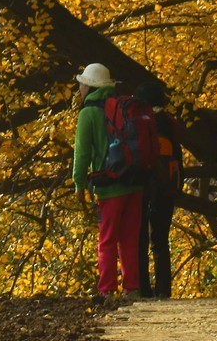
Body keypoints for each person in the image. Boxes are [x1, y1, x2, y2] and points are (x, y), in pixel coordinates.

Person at [72, 62, 145, 303]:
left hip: (109, 184)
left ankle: (107, 289)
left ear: (90, 86)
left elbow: (82, 153)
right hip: (134, 181)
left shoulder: (88, 113)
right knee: (130, 238)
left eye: (82, 83)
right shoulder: (121, 106)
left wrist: (79, 183)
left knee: (107, 239)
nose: (79, 87)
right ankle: (132, 287)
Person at [134, 82, 181, 299]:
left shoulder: (142, 122)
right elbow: (177, 158)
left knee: (141, 238)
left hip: (146, 185)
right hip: (167, 187)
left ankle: (143, 288)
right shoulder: (169, 123)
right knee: (161, 239)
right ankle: (163, 288)